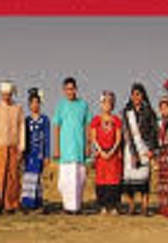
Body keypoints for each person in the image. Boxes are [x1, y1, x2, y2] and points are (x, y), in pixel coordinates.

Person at [52, 77, 91, 214]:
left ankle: (76, 207)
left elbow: (88, 126)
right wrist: (56, 148)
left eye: (72, 89)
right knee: (65, 181)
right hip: (65, 149)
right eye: (67, 89)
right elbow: (56, 126)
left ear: (76, 89)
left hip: (79, 148)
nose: (70, 91)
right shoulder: (60, 106)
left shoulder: (83, 105)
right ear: (64, 90)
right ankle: (66, 206)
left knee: (79, 179)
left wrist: (88, 146)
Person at [0, 80, 25, 213]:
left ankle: (12, 204)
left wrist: (21, 147)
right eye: (4, 94)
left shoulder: (18, 108)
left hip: (14, 145)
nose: (6, 97)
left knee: (13, 176)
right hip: (0, 145)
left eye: (8, 94)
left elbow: (21, 128)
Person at [122, 83, 158, 216]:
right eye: (134, 94)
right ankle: (131, 206)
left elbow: (154, 131)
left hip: (144, 147)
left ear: (143, 95)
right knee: (129, 181)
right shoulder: (126, 112)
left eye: (138, 94)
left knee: (144, 179)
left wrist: (152, 149)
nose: (136, 97)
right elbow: (124, 132)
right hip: (130, 148)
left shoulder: (149, 111)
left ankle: (144, 207)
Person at [91, 91, 123, 215]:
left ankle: (113, 206)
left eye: (110, 103)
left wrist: (112, 151)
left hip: (113, 154)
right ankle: (103, 206)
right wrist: (101, 151)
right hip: (101, 155)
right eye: (105, 102)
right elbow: (93, 138)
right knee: (101, 180)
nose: (107, 105)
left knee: (113, 180)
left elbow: (118, 138)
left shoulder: (117, 120)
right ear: (101, 104)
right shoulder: (96, 120)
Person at [21, 88, 51, 211]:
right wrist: (22, 153)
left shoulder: (44, 120)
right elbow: (23, 138)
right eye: (32, 103)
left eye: (37, 103)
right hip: (29, 154)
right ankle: (27, 204)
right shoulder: (26, 120)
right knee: (28, 178)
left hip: (39, 153)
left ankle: (37, 202)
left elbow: (47, 138)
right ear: (29, 105)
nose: (35, 105)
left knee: (37, 178)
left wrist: (47, 155)